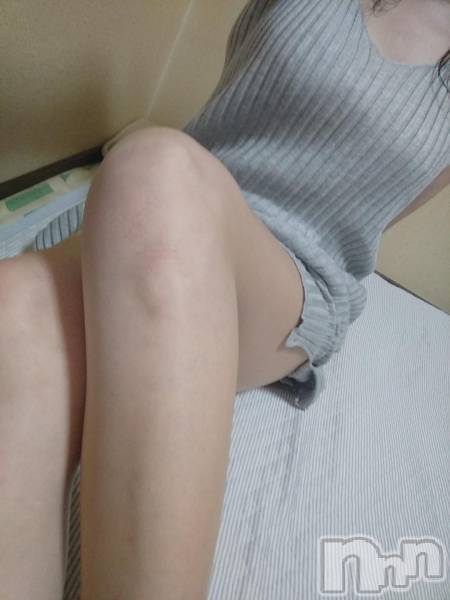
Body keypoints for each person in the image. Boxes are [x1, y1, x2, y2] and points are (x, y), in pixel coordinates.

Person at [0, 1, 449, 599]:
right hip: (150, 214)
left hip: (287, 274)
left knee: (154, 162)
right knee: (15, 302)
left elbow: (379, 212)